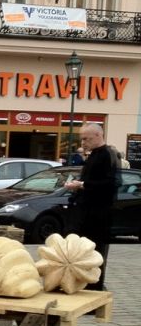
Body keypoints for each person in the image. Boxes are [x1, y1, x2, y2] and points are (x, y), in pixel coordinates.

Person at [64, 122, 120, 291]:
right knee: (82, 250)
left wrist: (82, 185)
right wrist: (78, 185)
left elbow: (112, 183)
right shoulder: (94, 154)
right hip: (85, 210)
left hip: (99, 213)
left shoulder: (108, 154)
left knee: (95, 252)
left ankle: (95, 287)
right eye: (81, 139)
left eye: (86, 139)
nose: (83, 143)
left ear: (98, 135)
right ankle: (83, 284)